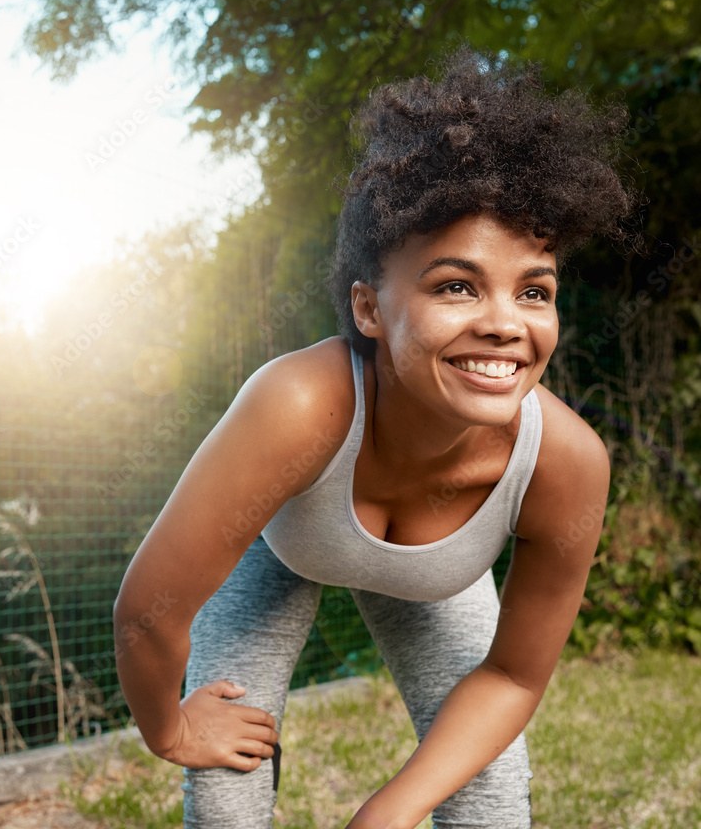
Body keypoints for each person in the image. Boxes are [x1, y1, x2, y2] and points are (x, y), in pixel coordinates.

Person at [113, 45, 637, 829]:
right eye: (456, 285)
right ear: (368, 309)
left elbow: (513, 681)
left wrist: (386, 814)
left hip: (440, 581)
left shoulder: (567, 465)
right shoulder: (298, 406)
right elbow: (148, 613)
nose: (504, 323)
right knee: (227, 793)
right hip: (281, 542)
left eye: (535, 290)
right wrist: (170, 728)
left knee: (490, 798)